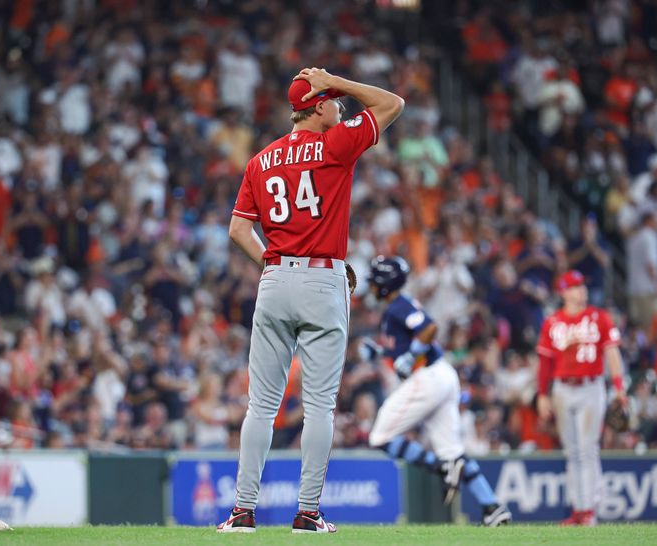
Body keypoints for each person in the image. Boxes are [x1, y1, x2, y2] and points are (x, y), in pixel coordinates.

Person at [218, 67, 404, 534]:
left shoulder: (260, 160)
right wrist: (336, 79)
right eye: (334, 100)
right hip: (324, 280)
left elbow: (239, 228)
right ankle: (307, 512)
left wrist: (274, 265)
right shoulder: (337, 142)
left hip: (276, 277)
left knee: (260, 406)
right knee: (319, 406)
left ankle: (242, 512)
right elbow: (392, 103)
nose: (340, 105)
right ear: (319, 105)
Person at [362, 256, 512, 527]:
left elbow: (429, 327)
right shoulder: (396, 309)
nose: (371, 287)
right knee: (453, 453)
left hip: (428, 378)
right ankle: (492, 506)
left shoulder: (398, 306)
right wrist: (381, 351)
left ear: (384, 284)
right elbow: (405, 350)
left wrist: (412, 354)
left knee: (380, 436)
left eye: (374, 282)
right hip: (440, 376)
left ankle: (438, 468)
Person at [536, 270, 627, 526]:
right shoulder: (553, 322)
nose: (581, 291)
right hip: (562, 389)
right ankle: (578, 509)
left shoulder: (599, 318)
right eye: (574, 287)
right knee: (572, 452)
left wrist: (619, 387)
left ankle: (589, 511)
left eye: (582, 286)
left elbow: (612, 355)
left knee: (587, 450)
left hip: (591, 386)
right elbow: (545, 363)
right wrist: (542, 394)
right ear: (562, 291)